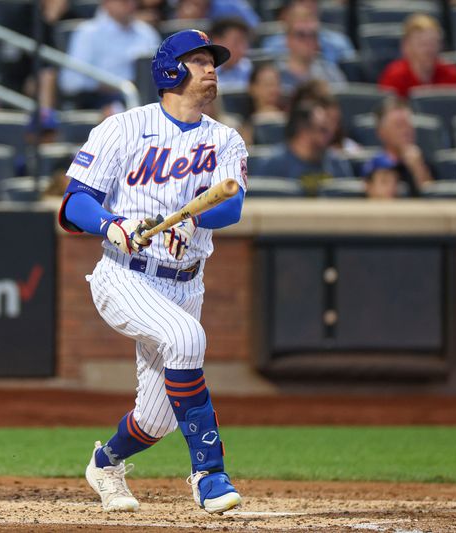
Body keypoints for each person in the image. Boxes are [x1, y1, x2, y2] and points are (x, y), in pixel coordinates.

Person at [59, 29, 245, 514]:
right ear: (171, 70)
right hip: (125, 273)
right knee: (187, 339)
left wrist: (192, 218)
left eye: (212, 62)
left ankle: (105, 461)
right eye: (200, 60)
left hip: (186, 279)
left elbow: (232, 206)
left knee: (156, 418)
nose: (210, 69)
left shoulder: (225, 138)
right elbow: (75, 202)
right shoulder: (121, 128)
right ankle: (210, 473)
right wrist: (113, 225)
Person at [58, 0, 160, 110]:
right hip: (100, 101)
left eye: (134, 1)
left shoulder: (146, 32)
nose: (131, 5)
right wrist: (111, 86)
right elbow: (70, 82)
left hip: (147, 98)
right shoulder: (87, 33)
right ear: (107, 3)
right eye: (124, 2)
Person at [257, 101, 353, 191]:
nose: (330, 135)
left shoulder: (337, 164)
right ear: (302, 131)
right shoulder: (273, 165)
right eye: (322, 130)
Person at [379, 14, 456, 99]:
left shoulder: (451, 74)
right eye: (422, 44)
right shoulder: (394, 76)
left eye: (433, 43)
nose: (429, 50)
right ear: (406, 46)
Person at [274, 5, 347, 95]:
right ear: (288, 40)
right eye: (301, 35)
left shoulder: (330, 73)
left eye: (313, 35)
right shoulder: (275, 77)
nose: (307, 40)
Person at [372, 97, 434, 196]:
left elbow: (434, 203)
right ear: (381, 132)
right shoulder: (374, 167)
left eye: (408, 125)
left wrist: (418, 169)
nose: (406, 131)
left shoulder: (426, 164)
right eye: (398, 125)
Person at [260, 0, 355, 64]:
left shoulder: (339, 41)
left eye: (312, 2)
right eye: (302, 1)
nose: (308, 7)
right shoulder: (273, 45)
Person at [210, 17, 252, 92]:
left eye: (244, 43)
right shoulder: (202, 72)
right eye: (237, 42)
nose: (242, 49)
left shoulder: (249, 69)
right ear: (217, 41)